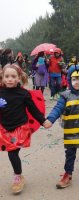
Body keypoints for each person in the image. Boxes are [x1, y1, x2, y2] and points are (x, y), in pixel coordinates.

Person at [0, 64, 46, 194]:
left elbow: (33, 110)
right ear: (2, 78)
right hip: (5, 128)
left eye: (13, 76)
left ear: (19, 77)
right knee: (13, 152)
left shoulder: (23, 94)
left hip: (20, 127)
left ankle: (17, 177)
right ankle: (19, 175)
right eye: (7, 76)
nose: (10, 79)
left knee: (12, 152)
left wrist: (43, 121)